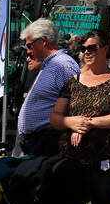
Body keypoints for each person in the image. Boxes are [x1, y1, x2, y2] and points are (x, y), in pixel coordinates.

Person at [51, 29, 110, 204]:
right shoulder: (73, 81)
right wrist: (71, 122)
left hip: (105, 161)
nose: (86, 52)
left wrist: (88, 123)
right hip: (72, 160)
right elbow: (55, 118)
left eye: (92, 48)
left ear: (106, 49)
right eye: (83, 48)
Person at [15, 19, 81, 156]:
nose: (29, 51)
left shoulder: (63, 65)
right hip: (36, 142)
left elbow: (77, 103)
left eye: (29, 46)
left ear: (43, 41)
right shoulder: (51, 65)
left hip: (47, 142)